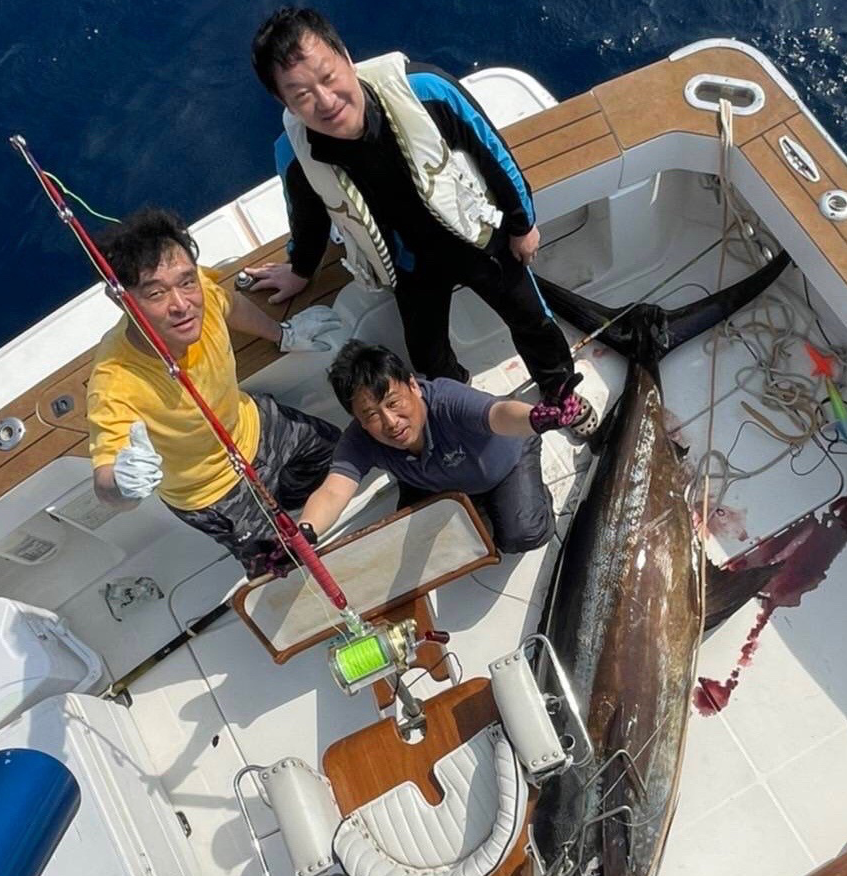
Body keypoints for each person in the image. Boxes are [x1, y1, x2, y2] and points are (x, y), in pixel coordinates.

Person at [248, 7, 596, 437]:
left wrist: (522, 224)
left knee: (533, 319)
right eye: (302, 95)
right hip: (408, 263)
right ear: (285, 104)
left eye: (328, 76)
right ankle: (467, 409)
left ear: (347, 57)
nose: (326, 100)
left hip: (475, 238)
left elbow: (493, 153)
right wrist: (300, 271)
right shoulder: (295, 156)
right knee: (428, 358)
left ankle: (560, 394)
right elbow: (308, 219)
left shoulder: (424, 90)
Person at [86, 207, 344, 576]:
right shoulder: (113, 381)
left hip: (258, 426)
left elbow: (231, 305)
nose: (181, 305)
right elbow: (105, 480)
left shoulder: (201, 293)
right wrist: (122, 487)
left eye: (186, 282)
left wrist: (282, 334)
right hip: (213, 494)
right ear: (120, 298)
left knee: (339, 460)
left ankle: (294, 509)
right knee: (281, 570)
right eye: (155, 293)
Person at [295, 341, 582, 554]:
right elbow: (333, 491)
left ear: (413, 385)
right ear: (357, 419)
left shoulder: (448, 399)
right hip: (432, 481)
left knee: (522, 535)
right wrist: (302, 534)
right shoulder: (361, 437)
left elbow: (499, 414)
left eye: (393, 403)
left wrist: (534, 418)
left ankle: (533, 496)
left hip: (507, 461)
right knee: (414, 544)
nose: (391, 422)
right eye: (371, 414)